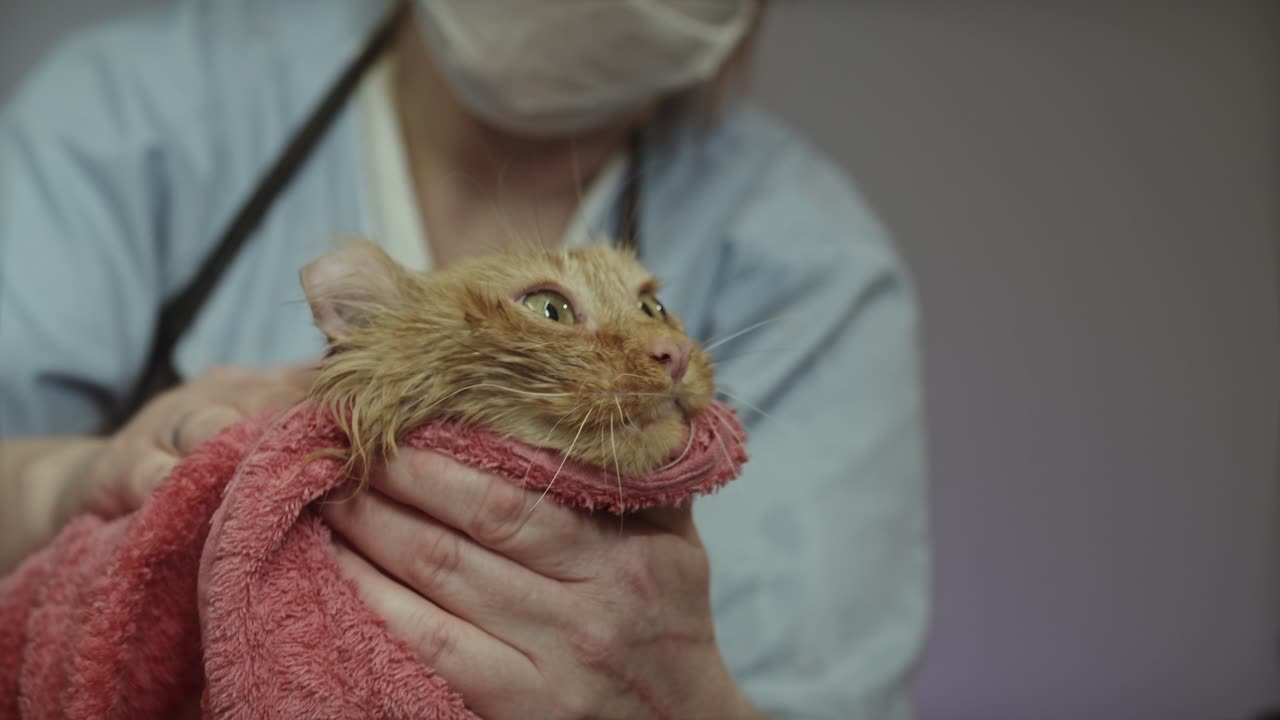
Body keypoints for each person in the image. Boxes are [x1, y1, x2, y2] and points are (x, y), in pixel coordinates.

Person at [0, 1, 929, 717]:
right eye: (555, 309)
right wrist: (70, 482)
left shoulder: (811, 264)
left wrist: (687, 701)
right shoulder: (143, 107)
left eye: (652, 305)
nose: (659, 340)